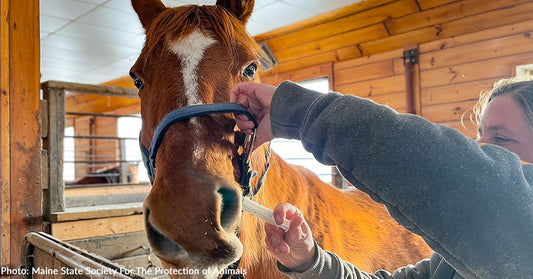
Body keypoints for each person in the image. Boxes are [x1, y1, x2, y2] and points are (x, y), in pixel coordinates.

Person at [230, 78, 533, 279]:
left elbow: (469, 179)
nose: (482, 150)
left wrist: (305, 114)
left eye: (502, 139)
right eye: (480, 136)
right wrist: (310, 260)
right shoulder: (451, 265)